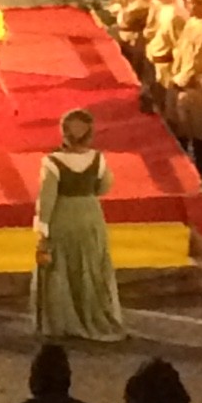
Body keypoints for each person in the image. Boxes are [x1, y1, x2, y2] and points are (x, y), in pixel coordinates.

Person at [32, 108, 124, 343]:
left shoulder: (52, 162)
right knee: (91, 267)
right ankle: (93, 315)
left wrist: (42, 232)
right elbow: (104, 187)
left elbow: (47, 199)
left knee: (62, 268)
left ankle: (64, 321)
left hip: (63, 217)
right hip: (91, 216)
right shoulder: (98, 159)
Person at [168, 0, 202, 180]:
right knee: (182, 127)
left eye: (191, 3)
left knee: (199, 132)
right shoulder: (193, 22)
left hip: (195, 86)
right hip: (181, 80)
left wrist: (181, 80)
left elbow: (198, 61)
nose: (188, 6)